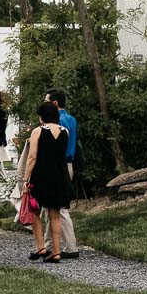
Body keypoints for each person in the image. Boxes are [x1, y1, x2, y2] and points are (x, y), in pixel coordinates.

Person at [22, 100, 72, 263]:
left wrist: (26, 178)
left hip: (41, 175)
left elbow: (32, 156)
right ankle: (56, 251)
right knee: (55, 215)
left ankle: (41, 247)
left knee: (35, 211)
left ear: (42, 116)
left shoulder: (38, 131)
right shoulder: (65, 131)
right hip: (60, 175)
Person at [45, 88, 82, 258]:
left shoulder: (58, 120)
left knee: (60, 207)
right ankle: (47, 244)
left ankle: (70, 246)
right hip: (69, 163)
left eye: (46, 101)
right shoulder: (72, 119)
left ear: (54, 103)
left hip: (59, 165)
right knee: (52, 206)